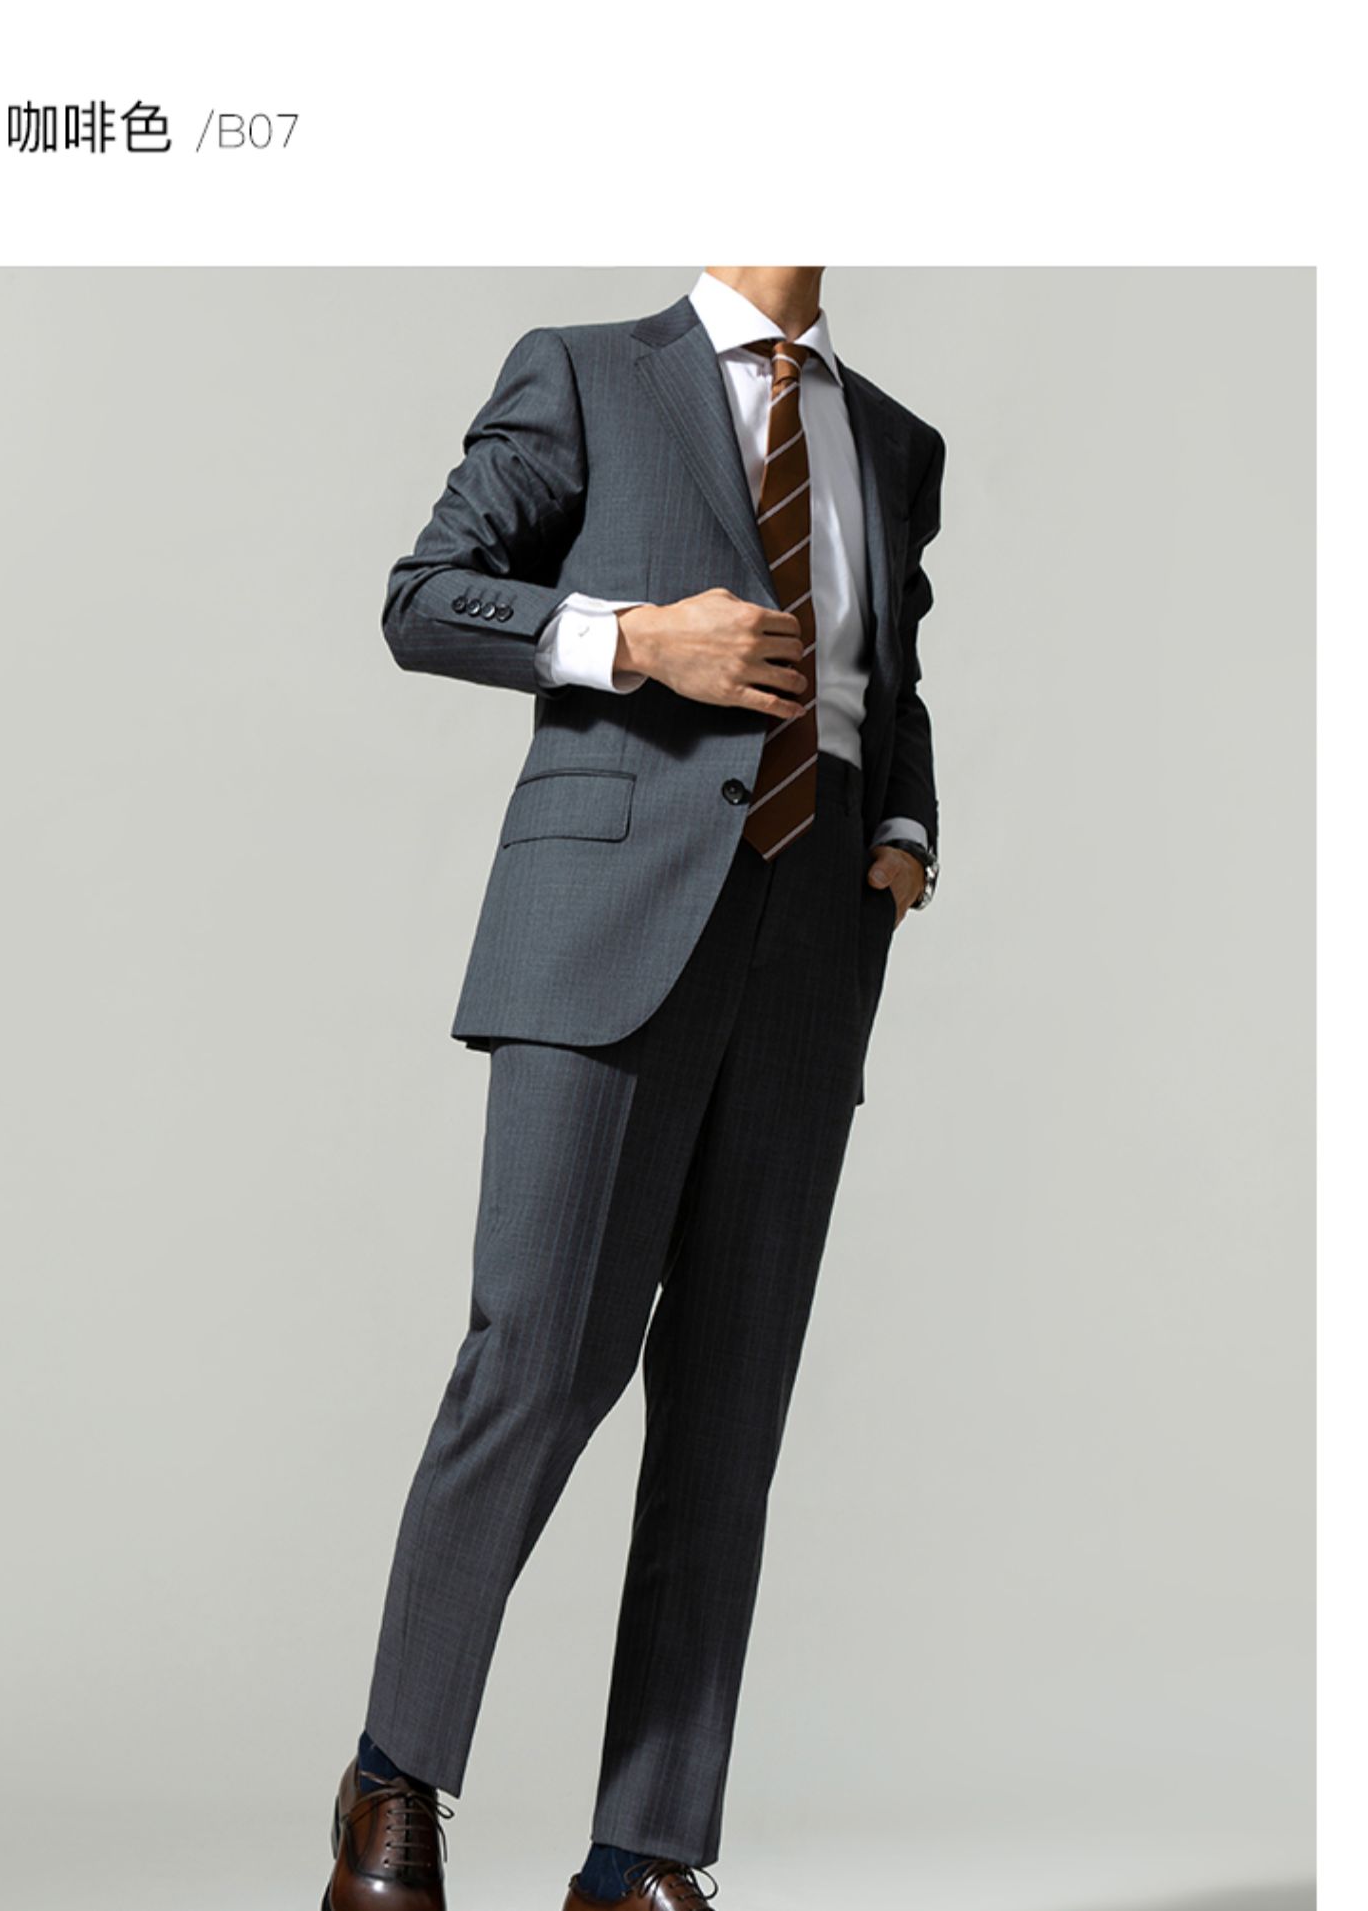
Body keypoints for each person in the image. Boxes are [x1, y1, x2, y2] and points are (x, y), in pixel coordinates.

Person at [321, 268, 945, 1911]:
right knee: (538, 1359)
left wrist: (905, 830)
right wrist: (636, 639)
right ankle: (392, 1780)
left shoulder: (893, 441)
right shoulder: (590, 375)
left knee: (731, 1411)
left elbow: (889, 675)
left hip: (808, 958)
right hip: (604, 928)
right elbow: (424, 596)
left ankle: (643, 1851)